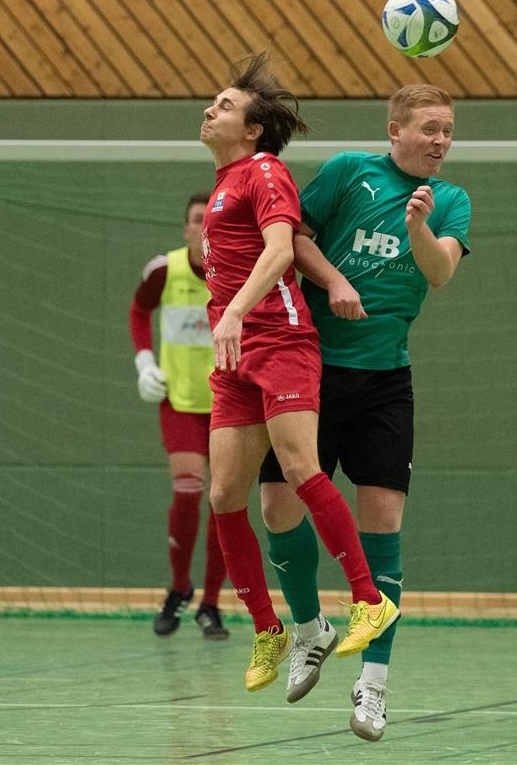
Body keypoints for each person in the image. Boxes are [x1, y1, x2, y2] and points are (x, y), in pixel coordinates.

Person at [259, 84, 472, 740]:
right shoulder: (350, 171)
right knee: (276, 508)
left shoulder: (452, 201)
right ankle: (308, 627)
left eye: (449, 131)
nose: (441, 141)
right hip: (312, 371)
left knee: (382, 526)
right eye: (430, 128)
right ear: (395, 128)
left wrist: (416, 227)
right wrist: (336, 279)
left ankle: (373, 688)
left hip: (385, 382)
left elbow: (439, 275)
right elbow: (293, 237)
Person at [199, 51, 399, 692]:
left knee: (299, 468)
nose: (210, 109)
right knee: (226, 495)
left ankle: (368, 599)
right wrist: (227, 324)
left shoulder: (266, 172)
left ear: (254, 129)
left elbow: (283, 248)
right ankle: (270, 629)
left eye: (225, 105)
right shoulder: (223, 186)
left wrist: (232, 313)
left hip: (281, 341)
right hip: (233, 355)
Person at [129, 192, 229, 640]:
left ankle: (211, 602)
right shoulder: (163, 271)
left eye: (211, 219)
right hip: (181, 402)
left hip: (229, 402)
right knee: (188, 493)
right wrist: (145, 361)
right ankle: (177, 587)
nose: (203, 226)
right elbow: (138, 312)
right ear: (186, 228)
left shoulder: (237, 271)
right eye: (196, 219)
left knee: (224, 502)